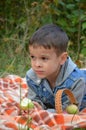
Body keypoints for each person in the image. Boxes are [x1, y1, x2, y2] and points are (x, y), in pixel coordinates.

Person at [26, 24, 86, 112]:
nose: (37, 64)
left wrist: (44, 112)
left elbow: (69, 111)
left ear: (62, 59)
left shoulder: (77, 81)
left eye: (44, 58)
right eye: (33, 57)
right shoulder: (32, 77)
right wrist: (33, 107)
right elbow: (35, 100)